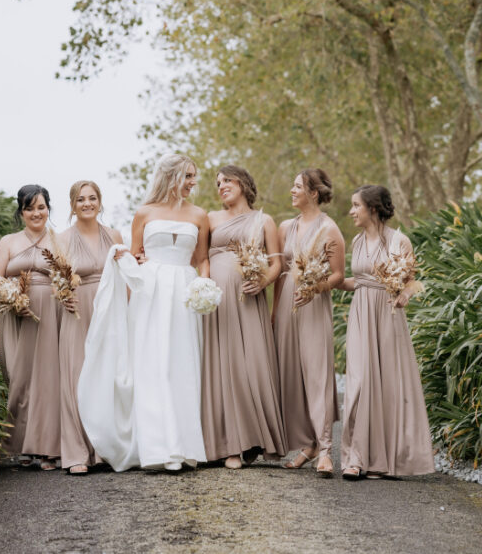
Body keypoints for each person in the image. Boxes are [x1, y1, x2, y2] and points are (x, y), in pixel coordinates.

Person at [78, 154, 210, 471]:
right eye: (188, 176)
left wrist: (203, 285)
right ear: (171, 177)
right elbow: (135, 257)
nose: (193, 182)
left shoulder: (200, 215)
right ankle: (156, 448)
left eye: (194, 176)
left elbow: (202, 258)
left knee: (182, 365)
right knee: (152, 366)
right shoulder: (144, 213)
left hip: (184, 294)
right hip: (150, 293)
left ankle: (182, 447)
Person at [337, 185, 434, 480]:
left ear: (373, 209)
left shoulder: (398, 241)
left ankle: (384, 460)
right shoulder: (356, 240)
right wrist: (326, 281)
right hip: (360, 312)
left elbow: (411, 280)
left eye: (356, 206)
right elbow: (359, 280)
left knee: (388, 383)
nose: (352, 211)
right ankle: (355, 457)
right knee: (359, 381)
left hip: (388, 315)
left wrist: (405, 294)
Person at [201, 165, 287, 469]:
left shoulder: (264, 220)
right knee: (222, 368)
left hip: (249, 302)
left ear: (243, 183)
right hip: (216, 303)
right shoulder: (210, 218)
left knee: (249, 367)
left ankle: (253, 440)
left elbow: (277, 263)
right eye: (218, 183)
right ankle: (228, 445)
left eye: (227, 180)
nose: (221, 186)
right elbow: (198, 257)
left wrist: (263, 281)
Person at [273, 169, 345, 477]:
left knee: (316, 373)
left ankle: (327, 449)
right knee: (291, 375)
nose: (292, 191)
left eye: (297, 186)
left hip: (314, 305)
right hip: (287, 304)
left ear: (313, 193)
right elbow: (279, 271)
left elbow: (338, 275)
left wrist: (315, 288)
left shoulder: (330, 230)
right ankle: (308, 444)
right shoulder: (285, 226)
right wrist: (275, 309)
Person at [0, 184, 61, 469]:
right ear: (21, 212)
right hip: (15, 316)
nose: (36, 213)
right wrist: (11, 295)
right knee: (18, 378)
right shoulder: (8, 242)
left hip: (50, 315)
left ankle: (46, 448)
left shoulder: (59, 241)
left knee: (47, 379)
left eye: (41, 207)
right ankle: (20, 446)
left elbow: (68, 275)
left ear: (48, 209)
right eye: (29, 208)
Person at [56, 181, 122, 475]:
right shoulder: (62, 239)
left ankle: (105, 448)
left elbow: (126, 271)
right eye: (81, 199)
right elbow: (55, 278)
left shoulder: (114, 235)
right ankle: (76, 453)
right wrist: (63, 297)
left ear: (100, 201)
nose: (87, 203)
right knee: (76, 376)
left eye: (92, 198)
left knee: (107, 376)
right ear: (72, 205)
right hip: (78, 311)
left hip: (110, 311)